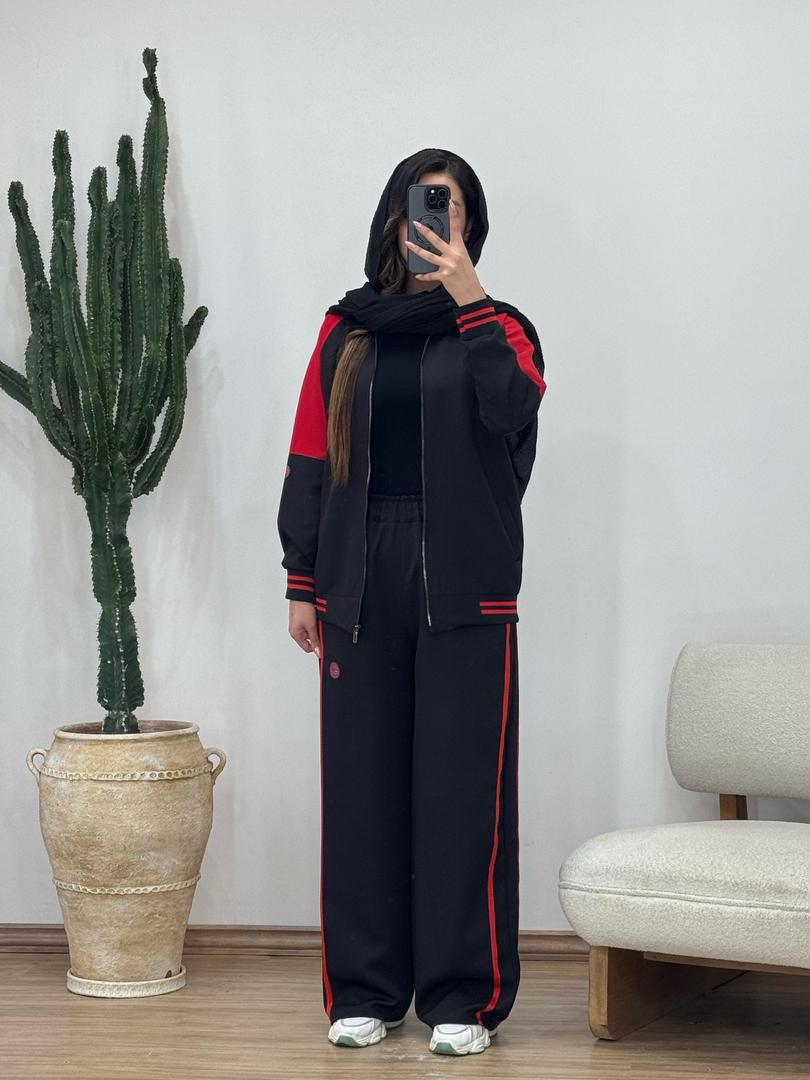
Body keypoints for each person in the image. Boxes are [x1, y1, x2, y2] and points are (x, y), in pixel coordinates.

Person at [277, 147, 547, 1056]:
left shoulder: (501, 327)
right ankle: (365, 991)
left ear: (471, 225)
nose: (437, 221)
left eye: (453, 208)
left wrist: (470, 299)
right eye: (424, 206)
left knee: (462, 796)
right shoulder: (345, 330)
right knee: (361, 793)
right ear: (393, 222)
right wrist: (303, 579)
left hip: (466, 583)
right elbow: (310, 453)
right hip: (358, 579)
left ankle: (463, 1000)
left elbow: (513, 414)